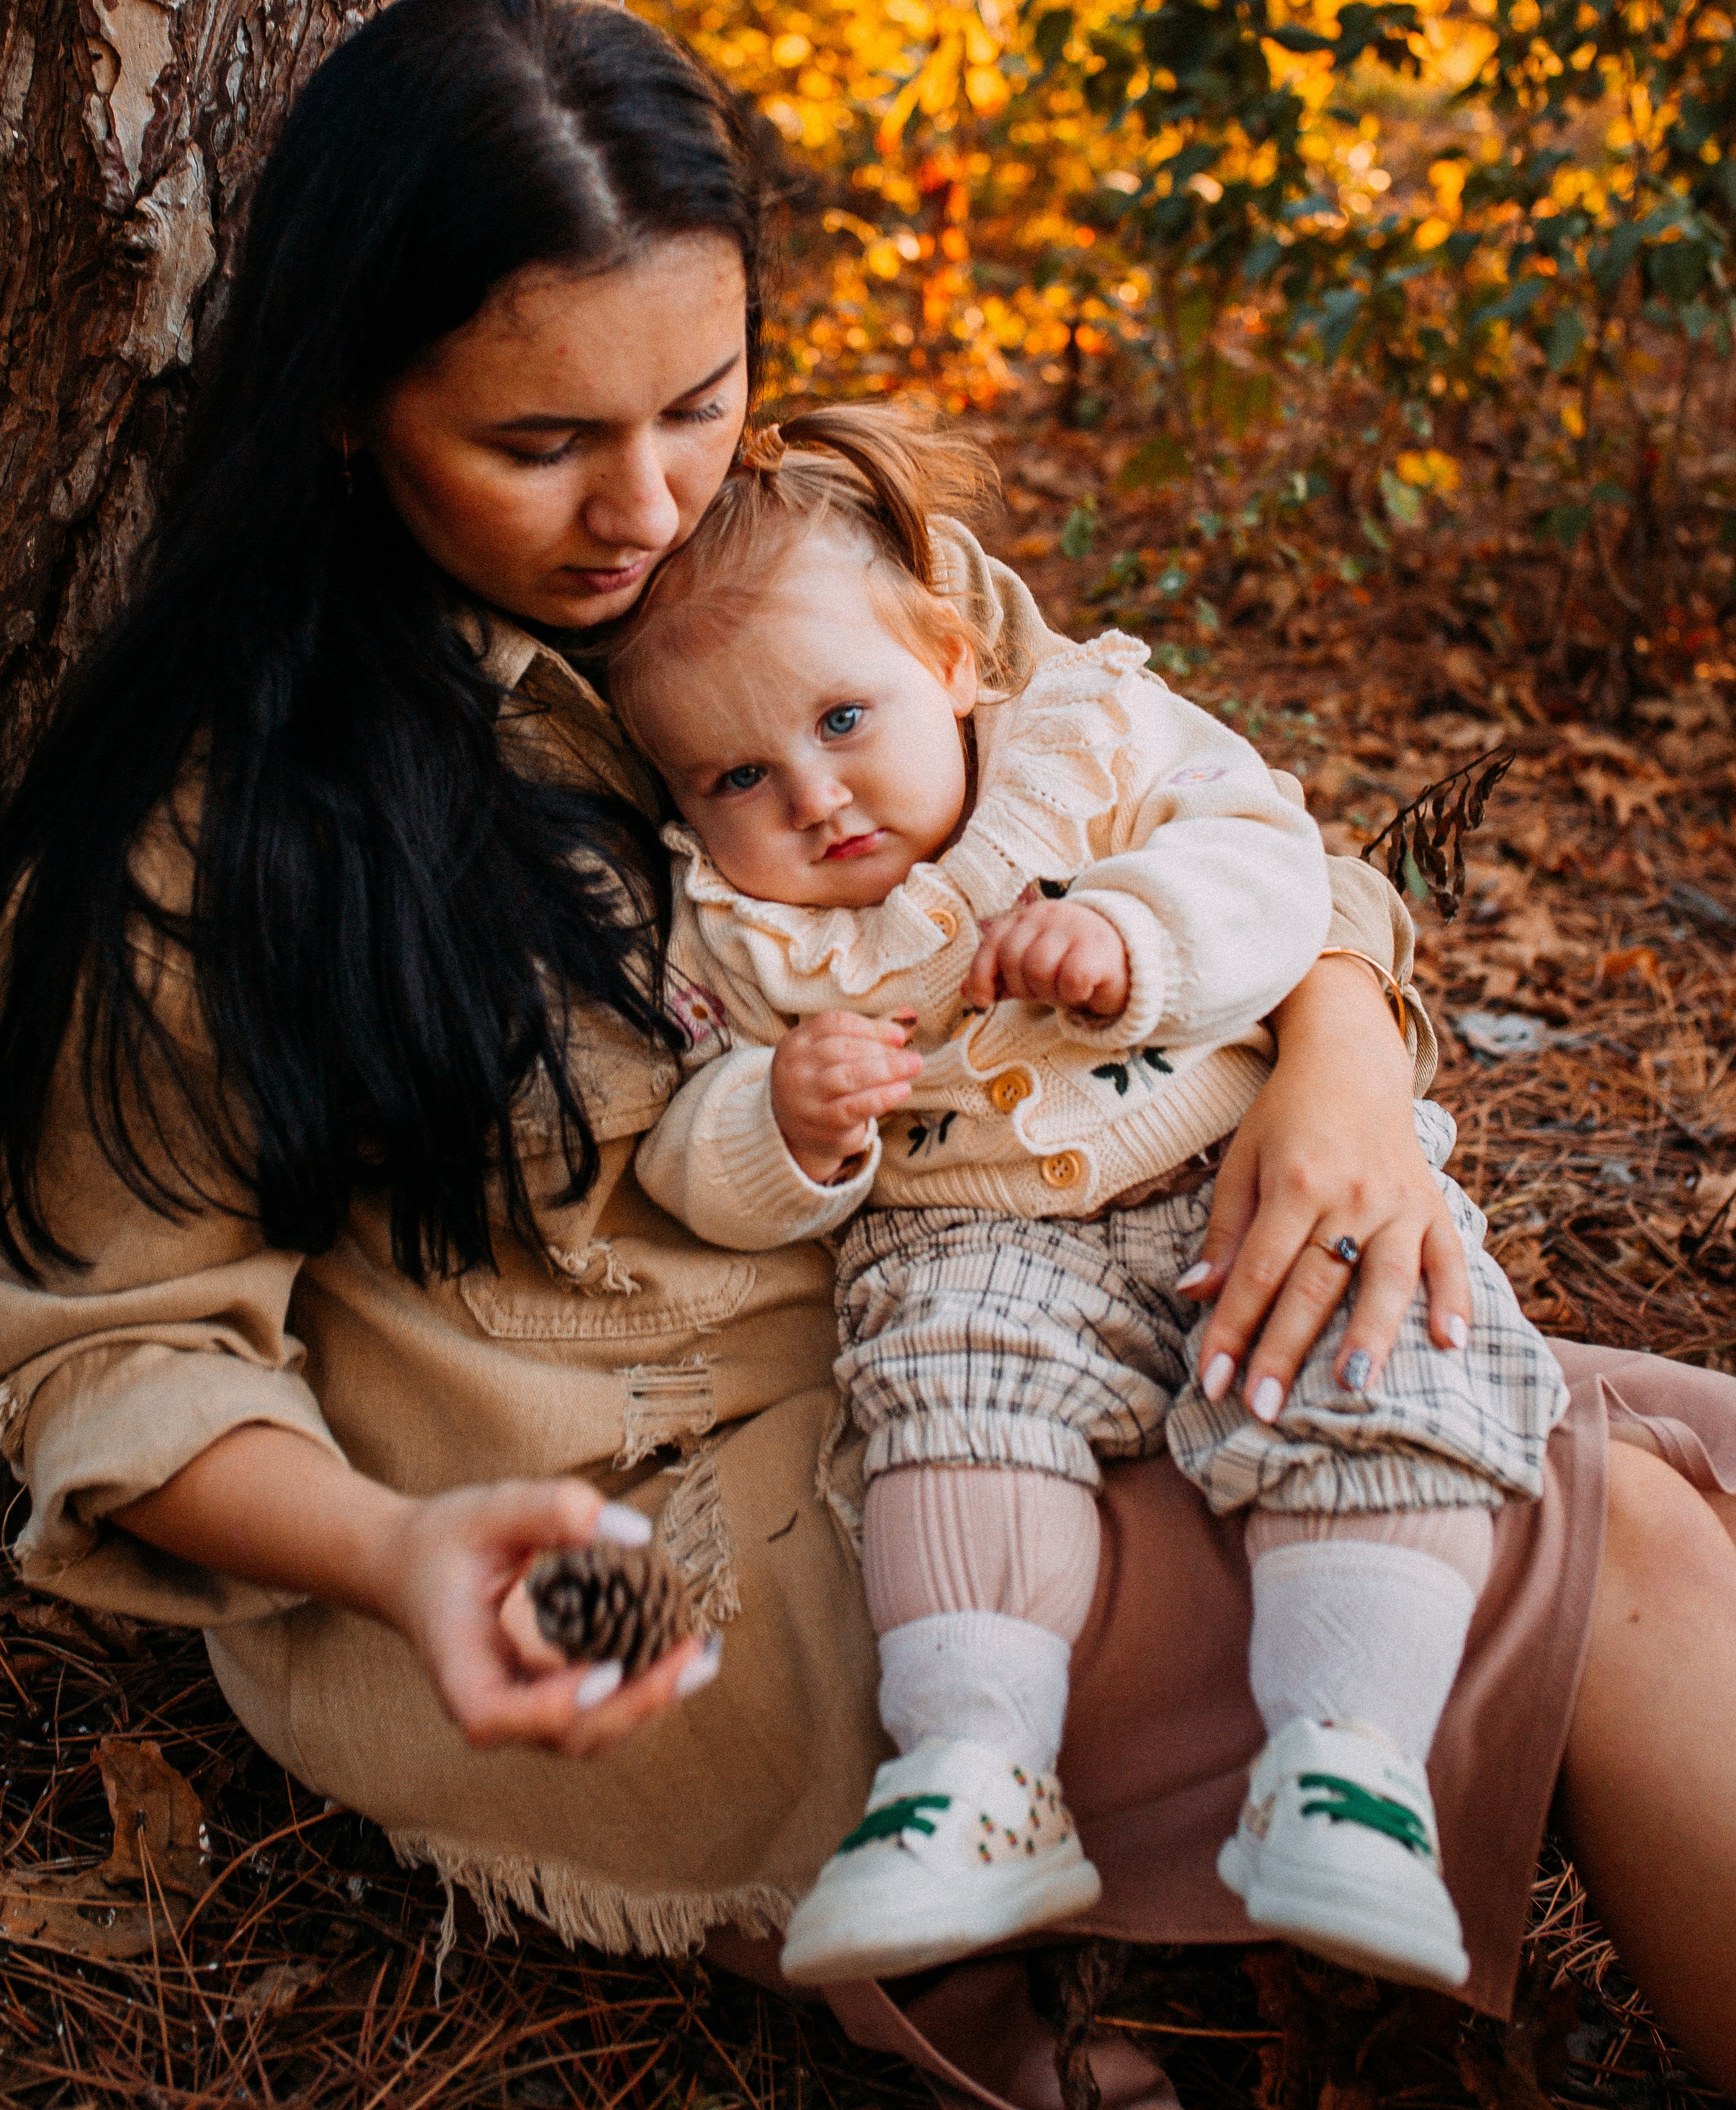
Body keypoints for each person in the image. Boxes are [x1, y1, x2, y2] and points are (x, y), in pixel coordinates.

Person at [0, 0, 1736, 2108]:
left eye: (701, 397)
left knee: (1685, 1453)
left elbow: (1181, 802)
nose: (653, 505)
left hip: (1040, 1340)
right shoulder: (214, 849)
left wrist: (1341, 1073)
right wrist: (393, 1547)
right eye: (539, 444)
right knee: (1630, 1558)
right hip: (655, 1582)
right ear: (344, 411)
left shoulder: (821, 574)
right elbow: (101, 1352)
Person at [607, 405, 1568, 1993]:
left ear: (950, 655)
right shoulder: (732, 939)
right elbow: (679, 1150)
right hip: (964, 1236)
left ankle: (1349, 1767)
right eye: (736, 774)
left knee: (1366, 1362)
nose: (814, 798)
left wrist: (1135, 927)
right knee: (947, 1413)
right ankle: (975, 1773)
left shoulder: (1092, 740)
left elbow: (1270, 853)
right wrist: (780, 1124)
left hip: (1224, 1171)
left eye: (846, 717)